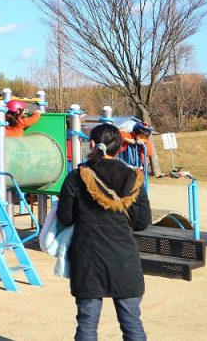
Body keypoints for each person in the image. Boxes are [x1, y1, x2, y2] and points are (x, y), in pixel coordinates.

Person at [57, 123, 152, 341]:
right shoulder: (134, 178)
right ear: (119, 147)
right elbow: (141, 222)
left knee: (87, 325)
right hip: (124, 259)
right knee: (132, 324)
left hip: (88, 259)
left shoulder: (77, 177)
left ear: (92, 144)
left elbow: (65, 218)